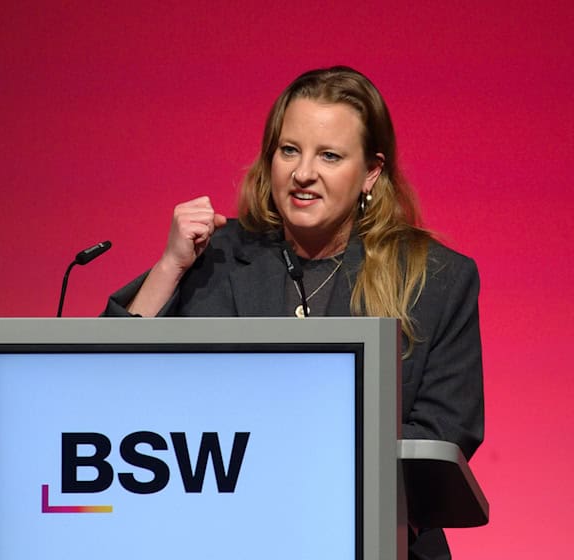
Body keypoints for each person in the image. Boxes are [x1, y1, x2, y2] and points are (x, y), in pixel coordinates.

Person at [102, 66, 483, 560]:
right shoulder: (214, 256)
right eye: (289, 150)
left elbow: (442, 435)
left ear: (371, 171)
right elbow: (105, 384)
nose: (304, 172)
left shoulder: (434, 278)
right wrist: (170, 265)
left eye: (329, 155)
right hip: (218, 539)